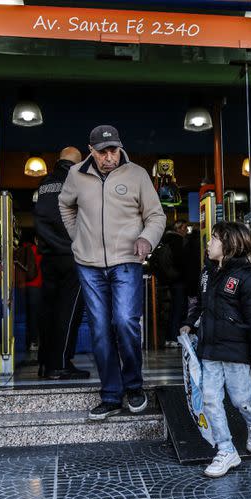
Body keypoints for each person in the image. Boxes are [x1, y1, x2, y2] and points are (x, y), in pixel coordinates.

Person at [59, 125, 166, 420]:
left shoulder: (137, 175)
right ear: (91, 150)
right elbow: (65, 205)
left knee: (125, 321)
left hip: (127, 260)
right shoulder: (76, 175)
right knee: (100, 330)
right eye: (103, 152)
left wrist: (147, 238)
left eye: (114, 150)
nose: (110, 157)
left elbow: (156, 215)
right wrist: (77, 236)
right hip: (88, 264)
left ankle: (133, 385)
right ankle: (110, 395)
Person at [180, 221, 251, 478]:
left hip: (236, 353)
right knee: (210, 400)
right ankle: (226, 449)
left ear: (229, 244)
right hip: (209, 350)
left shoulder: (248, 278)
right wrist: (189, 323)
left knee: (242, 400)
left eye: (214, 239)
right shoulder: (207, 273)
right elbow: (200, 304)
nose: (208, 243)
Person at [34, 147, 89, 380]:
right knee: (69, 312)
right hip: (72, 257)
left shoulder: (44, 184)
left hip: (48, 258)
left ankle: (46, 362)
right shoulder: (77, 181)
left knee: (49, 310)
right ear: (77, 163)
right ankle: (61, 364)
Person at [158, 220, 188, 346]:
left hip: (169, 279)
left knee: (173, 309)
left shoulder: (165, 240)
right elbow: (181, 262)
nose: (186, 231)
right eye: (185, 228)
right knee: (178, 308)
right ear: (178, 229)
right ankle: (174, 337)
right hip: (178, 280)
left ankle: (170, 338)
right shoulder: (177, 241)